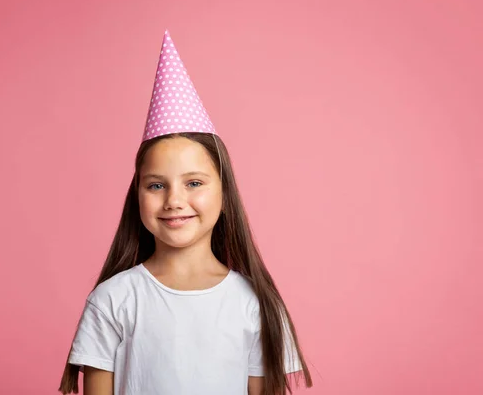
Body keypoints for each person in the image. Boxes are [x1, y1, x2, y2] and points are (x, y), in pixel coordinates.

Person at [58, 30, 313, 395]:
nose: (174, 200)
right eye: (156, 185)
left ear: (225, 196)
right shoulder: (112, 300)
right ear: (138, 197)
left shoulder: (255, 305)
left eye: (194, 183)